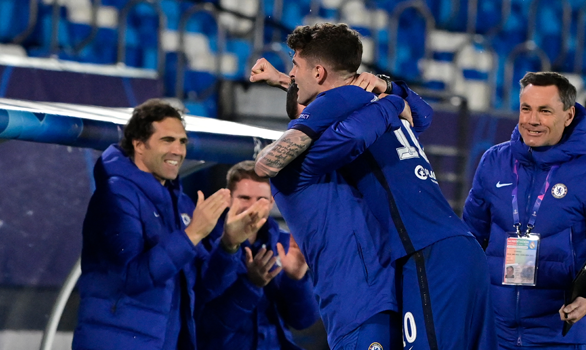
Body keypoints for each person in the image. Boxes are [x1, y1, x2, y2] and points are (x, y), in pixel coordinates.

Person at [252, 23, 496, 350]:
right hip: (454, 249)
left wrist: (384, 94)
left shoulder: (359, 116)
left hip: (425, 252)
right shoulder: (379, 110)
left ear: (320, 72)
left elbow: (332, 111)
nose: (291, 74)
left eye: (294, 67)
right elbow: (417, 114)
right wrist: (392, 96)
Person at [251, 23, 410, 350]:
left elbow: (325, 105)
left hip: (378, 295)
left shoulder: (330, 153)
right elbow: (344, 124)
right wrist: (388, 100)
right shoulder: (300, 162)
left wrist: (285, 79)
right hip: (359, 303)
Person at [72, 99, 268, 350]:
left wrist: (229, 244)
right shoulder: (115, 196)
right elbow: (129, 278)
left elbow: (202, 288)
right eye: (167, 140)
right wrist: (192, 233)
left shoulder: (182, 204)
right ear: (139, 145)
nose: (178, 150)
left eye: (182, 141)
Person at [463, 72, 586, 349]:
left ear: (568, 116)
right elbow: (470, 239)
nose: (532, 120)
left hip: (557, 338)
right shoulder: (493, 162)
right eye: (526, 109)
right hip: (493, 333)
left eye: (544, 111)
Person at [196, 161, 319, 350]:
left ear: (271, 202)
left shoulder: (286, 243)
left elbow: (303, 321)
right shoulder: (206, 241)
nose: (252, 207)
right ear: (229, 199)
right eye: (244, 197)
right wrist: (250, 285)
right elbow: (208, 323)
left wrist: (296, 280)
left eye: (261, 199)